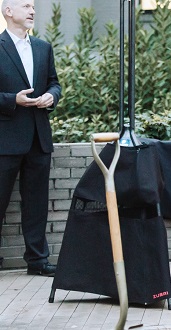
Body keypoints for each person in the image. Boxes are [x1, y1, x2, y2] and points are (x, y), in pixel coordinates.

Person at [0, 0, 61, 276]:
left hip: (38, 138)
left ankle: (37, 261)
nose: (32, 11)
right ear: (8, 11)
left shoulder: (43, 47)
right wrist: (13, 100)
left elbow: (54, 83)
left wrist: (52, 97)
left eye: (33, 6)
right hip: (5, 139)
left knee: (36, 204)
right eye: (26, 5)